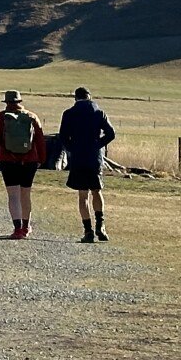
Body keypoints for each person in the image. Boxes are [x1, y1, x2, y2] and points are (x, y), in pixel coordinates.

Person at [0, 89, 47, 240]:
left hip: (7, 160)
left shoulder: (0, 118)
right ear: (19, 102)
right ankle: (26, 226)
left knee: (13, 195)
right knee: (26, 194)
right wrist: (42, 159)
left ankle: (17, 228)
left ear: (6, 102)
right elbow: (40, 140)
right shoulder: (31, 116)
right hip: (30, 161)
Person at [57, 86, 117, 243]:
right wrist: (98, 145)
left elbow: (62, 136)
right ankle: (101, 225)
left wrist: (72, 149)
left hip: (78, 158)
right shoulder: (98, 112)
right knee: (97, 191)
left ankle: (88, 230)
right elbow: (111, 133)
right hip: (94, 158)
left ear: (75, 98)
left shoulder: (69, 113)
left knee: (83, 195)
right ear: (90, 97)